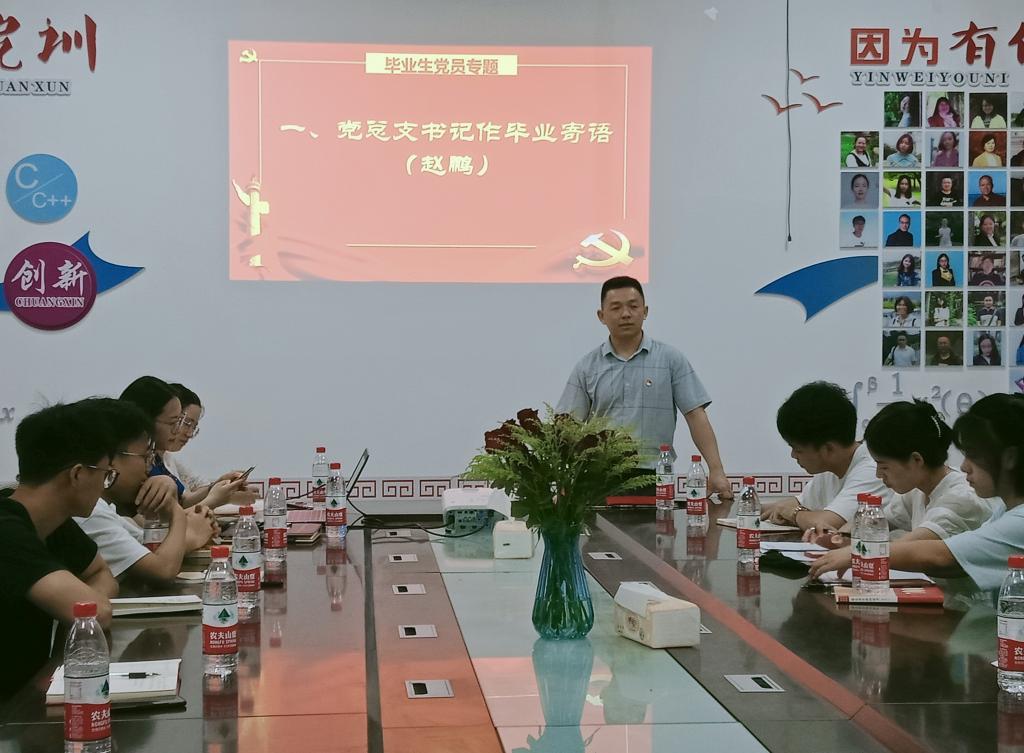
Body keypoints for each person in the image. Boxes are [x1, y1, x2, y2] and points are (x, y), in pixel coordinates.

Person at [809, 393, 1024, 592]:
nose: (964, 466)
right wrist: (842, 538)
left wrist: (856, 553)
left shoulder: (994, 511)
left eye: (974, 455)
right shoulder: (1003, 509)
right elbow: (878, 524)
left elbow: (941, 556)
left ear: (1010, 458)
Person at [557, 276, 733, 499]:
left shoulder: (670, 360)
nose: (626, 314)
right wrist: (564, 477)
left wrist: (716, 470)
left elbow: (695, 415)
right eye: (616, 308)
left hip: (654, 475)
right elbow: (567, 426)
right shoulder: (587, 367)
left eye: (633, 306)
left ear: (645, 311)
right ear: (601, 316)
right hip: (598, 477)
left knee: (658, 523)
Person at [0, 399, 120, 698]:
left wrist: (81, 608)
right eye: (105, 474)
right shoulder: (6, 530)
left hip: (27, 694)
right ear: (77, 474)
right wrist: (84, 607)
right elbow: (98, 612)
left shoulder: (52, 521)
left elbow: (101, 573)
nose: (104, 486)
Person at [805, 401, 994, 552]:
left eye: (883, 466)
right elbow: (875, 522)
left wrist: (846, 547)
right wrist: (838, 536)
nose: (878, 474)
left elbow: (903, 549)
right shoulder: (916, 492)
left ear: (916, 460)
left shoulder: (962, 498)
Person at [74, 399, 219, 584]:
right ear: (108, 460)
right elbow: (161, 568)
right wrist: (180, 518)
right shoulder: (90, 514)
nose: (149, 468)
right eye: (144, 457)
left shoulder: (106, 509)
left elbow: (148, 547)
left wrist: (191, 522)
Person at [760, 382, 890, 532]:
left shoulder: (872, 470)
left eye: (798, 449)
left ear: (828, 449)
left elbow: (826, 524)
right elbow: (793, 505)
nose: (793, 455)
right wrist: (752, 506)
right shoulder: (830, 468)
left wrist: (794, 513)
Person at [120, 376, 253, 510]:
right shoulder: (132, 465)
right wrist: (215, 499)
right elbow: (156, 520)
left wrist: (216, 486)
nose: (178, 431)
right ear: (146, 420)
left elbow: (182, 501)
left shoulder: (156, 458)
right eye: (174, 422)